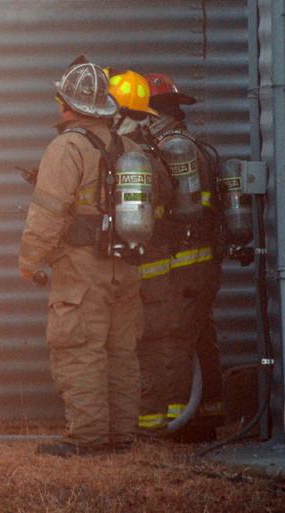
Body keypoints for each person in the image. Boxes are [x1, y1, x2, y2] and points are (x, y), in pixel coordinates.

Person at [17, 58, 146, 454]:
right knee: (121, 350)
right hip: (125, 264)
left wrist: (29, 260)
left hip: (80, 267)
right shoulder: (130, 146)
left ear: (65, 104)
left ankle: (88, 438)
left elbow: (48, 212)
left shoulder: (66, 147)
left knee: (79, 348)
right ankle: (121, 436)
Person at [146, 72, 225, 441]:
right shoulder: (190, 144)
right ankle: (208, 412)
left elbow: (176, 215)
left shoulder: (171, 149)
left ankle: (178, 423)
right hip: (201, 262)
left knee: (173, 336)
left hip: (184, 263)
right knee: (198, 333)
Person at [107, 71, 177, 436]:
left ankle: (147, 424)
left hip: (145, 262)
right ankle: (142, 422)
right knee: (144, 341)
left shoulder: (131, 154)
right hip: (147, 259)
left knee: (145, 341)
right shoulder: (145, 149)